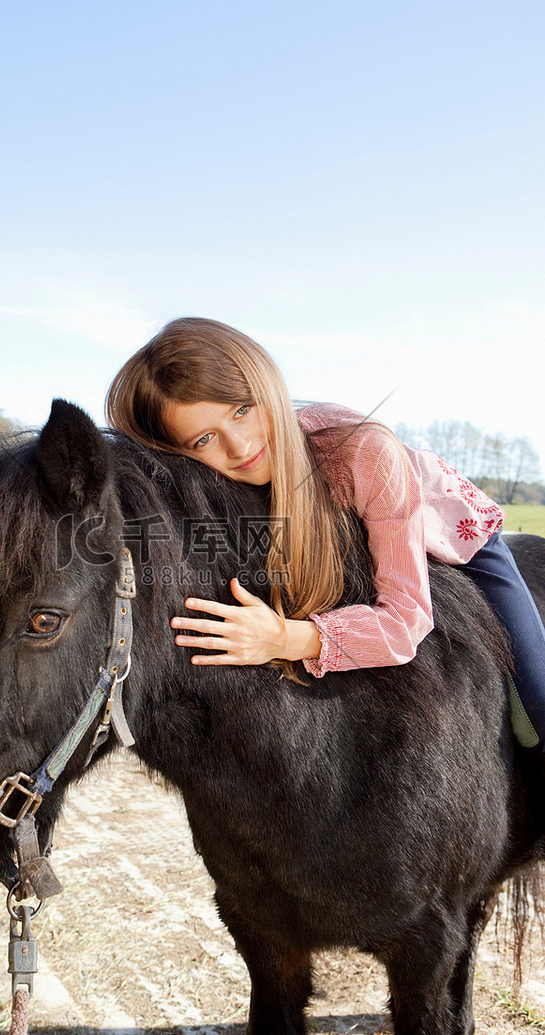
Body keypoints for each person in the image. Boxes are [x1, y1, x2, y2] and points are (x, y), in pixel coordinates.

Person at [105, 316, 545, 751]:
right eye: (204, 439)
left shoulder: (364, 452)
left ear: (267, 387)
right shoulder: (215, 482)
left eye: (242, 410)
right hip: (347, 530)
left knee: (538, 701)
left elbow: (406, 622)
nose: (240, 447)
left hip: (453, 534)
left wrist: (283, 637)